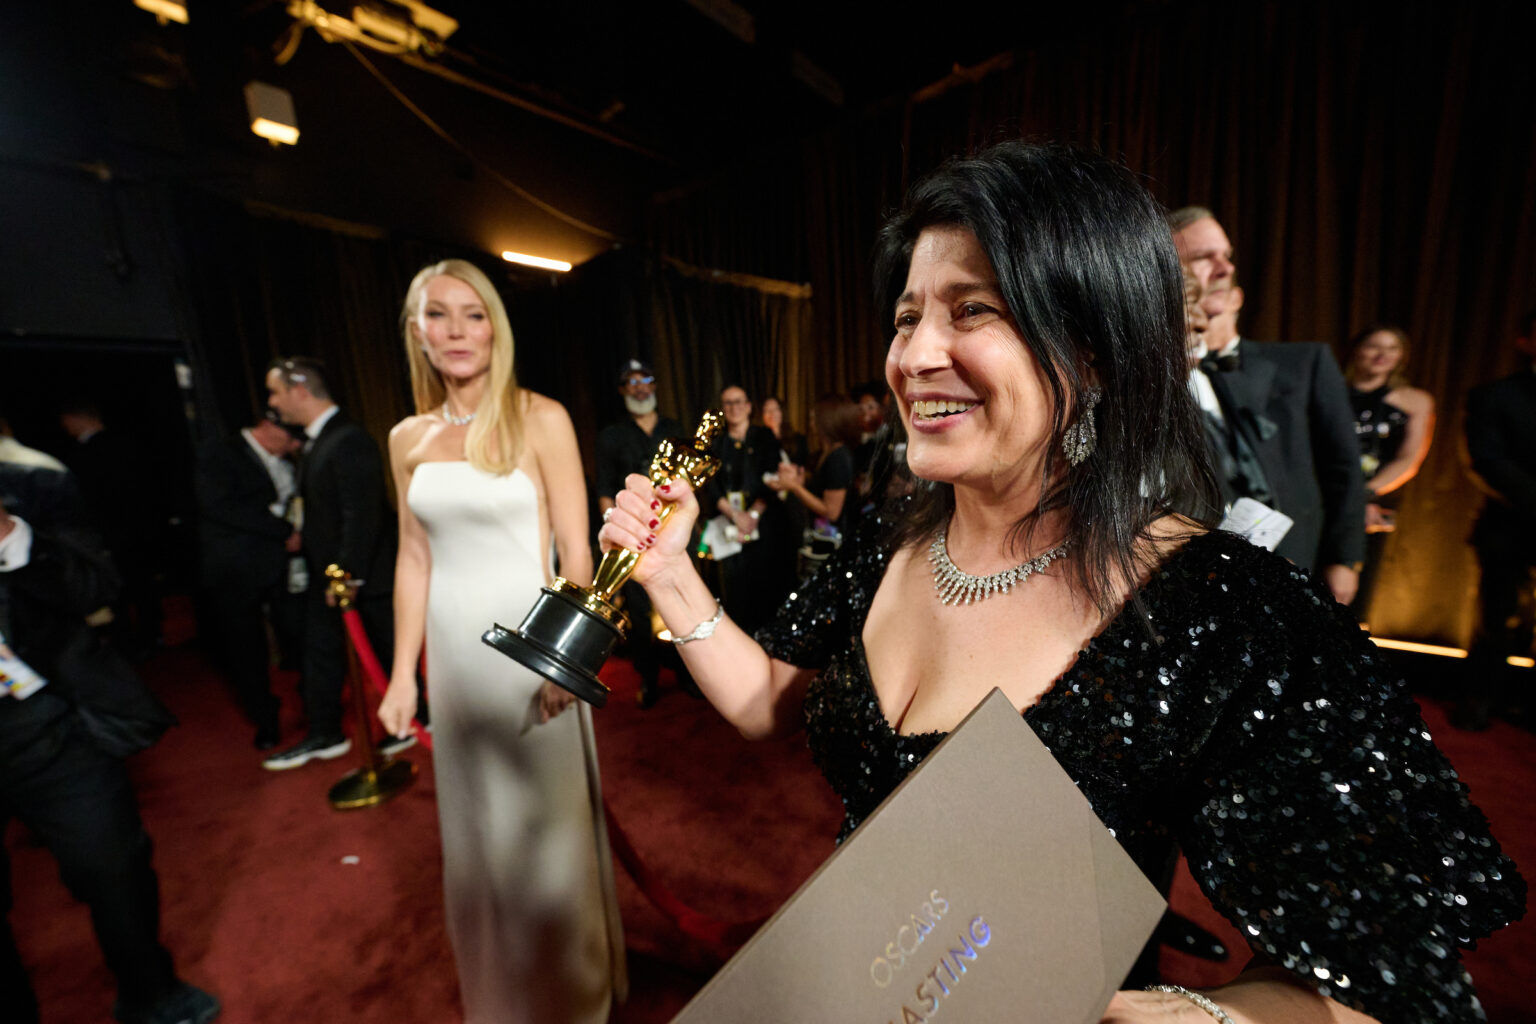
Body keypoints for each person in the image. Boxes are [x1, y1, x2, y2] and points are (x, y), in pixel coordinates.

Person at [600, 142, 1524, 1024]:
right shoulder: (888, 535)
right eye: (907, 316)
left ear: (1097, 352)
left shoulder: (1225, 610)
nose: (914, 356)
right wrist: (673, 577)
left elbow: (1395, 985)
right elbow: (770, 702)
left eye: (973, 311)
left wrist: (1189, 1012)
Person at [375, 259, 622, 1023]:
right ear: (417, 332)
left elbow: (579, 555)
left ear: (496, 327)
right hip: (453, 663)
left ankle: (573, 998)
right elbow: (413, 558)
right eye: (438, 315)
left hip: (531, 650)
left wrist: (566, 661)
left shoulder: (540, 417)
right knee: (480, 835)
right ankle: (505, 1002)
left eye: (473, 313)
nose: (456, 331)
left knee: (545, 837)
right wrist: (401, 676)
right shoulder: (406, 437)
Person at [0, 487, 217, 1024]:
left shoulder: (36, 492)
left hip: (48, 723)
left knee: (114, 866)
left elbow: (99, 584)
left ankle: (152, 993)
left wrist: (9, 535)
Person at [1170, 208, 1365, 605]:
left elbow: (1342, 467)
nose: (1225, 268)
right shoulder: (1149, 381)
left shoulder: (1300, 363)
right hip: (1194, 574)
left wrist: (1344, 558)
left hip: (1293, 556)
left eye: (1227, 255)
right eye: (1205, 257)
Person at [261, 357, 413, 769]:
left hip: (355, 578)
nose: (272, 403)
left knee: (385, 651)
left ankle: (407, 723)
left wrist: (347, 576)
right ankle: (326, 732)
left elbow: (362, 515)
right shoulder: (319, 440)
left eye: (275, 392)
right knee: (326, 655)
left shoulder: (347, 438)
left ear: (301, 391)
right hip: (333, 577)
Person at [193, 415, 304, 750]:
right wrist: (283, 532)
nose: (296, 446)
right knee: (245, 649)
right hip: (236, 571)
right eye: (292, 438)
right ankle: (265, 720)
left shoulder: (288, 462)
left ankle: (316, 709)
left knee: (301, 633)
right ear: (269, 427)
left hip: (282, 566)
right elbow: (222, 507)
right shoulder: (219, 453)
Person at [1458, 308, 1536, 731]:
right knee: (1496, 617)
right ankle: (1478, 698)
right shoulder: (1495, 395)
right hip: (1509, 525)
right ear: (1525, 341)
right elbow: (1487, 459)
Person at [594, 359, 683, 708]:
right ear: (622, 390)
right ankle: (648, 677)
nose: (639, 386)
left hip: (673, 534)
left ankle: (688, 674)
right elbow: (604, 488)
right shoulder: (611, 436)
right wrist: (614, 530)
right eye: (631, 382)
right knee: (640, 612)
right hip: (632, 539)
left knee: (680, 602)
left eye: (645, 378)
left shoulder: (673, 428)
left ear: (655, 384)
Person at [1342, 326, 1435, 620]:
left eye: (1392, 348)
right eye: (1374, 346)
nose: (1382, 355)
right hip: (1321, 495)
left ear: (1401, 357)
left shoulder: (1415, 400)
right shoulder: (1329, 390)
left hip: (1373, 500)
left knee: (1355, 588)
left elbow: (1409, 458)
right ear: (1356, 349)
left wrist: (1365, 494)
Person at [699, 385, 794, 633]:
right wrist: (736, 516)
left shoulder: (764, 437)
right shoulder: (716, 445)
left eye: (739, 401)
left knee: (769, 590)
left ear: (749, 406)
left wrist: (752, 515)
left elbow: (773, 479)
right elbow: (712, 488)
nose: (734, 408)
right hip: (730, 530)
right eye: (728, 403)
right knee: (737, 595)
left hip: (766, 525)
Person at [769, 394, 861, 539]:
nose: (811, 424)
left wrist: (794, 487)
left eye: (814, 418)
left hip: (836, 539)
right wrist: (800, 482)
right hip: (819, 536)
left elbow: (831, 512)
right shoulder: (823, 453)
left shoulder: (839, 457)